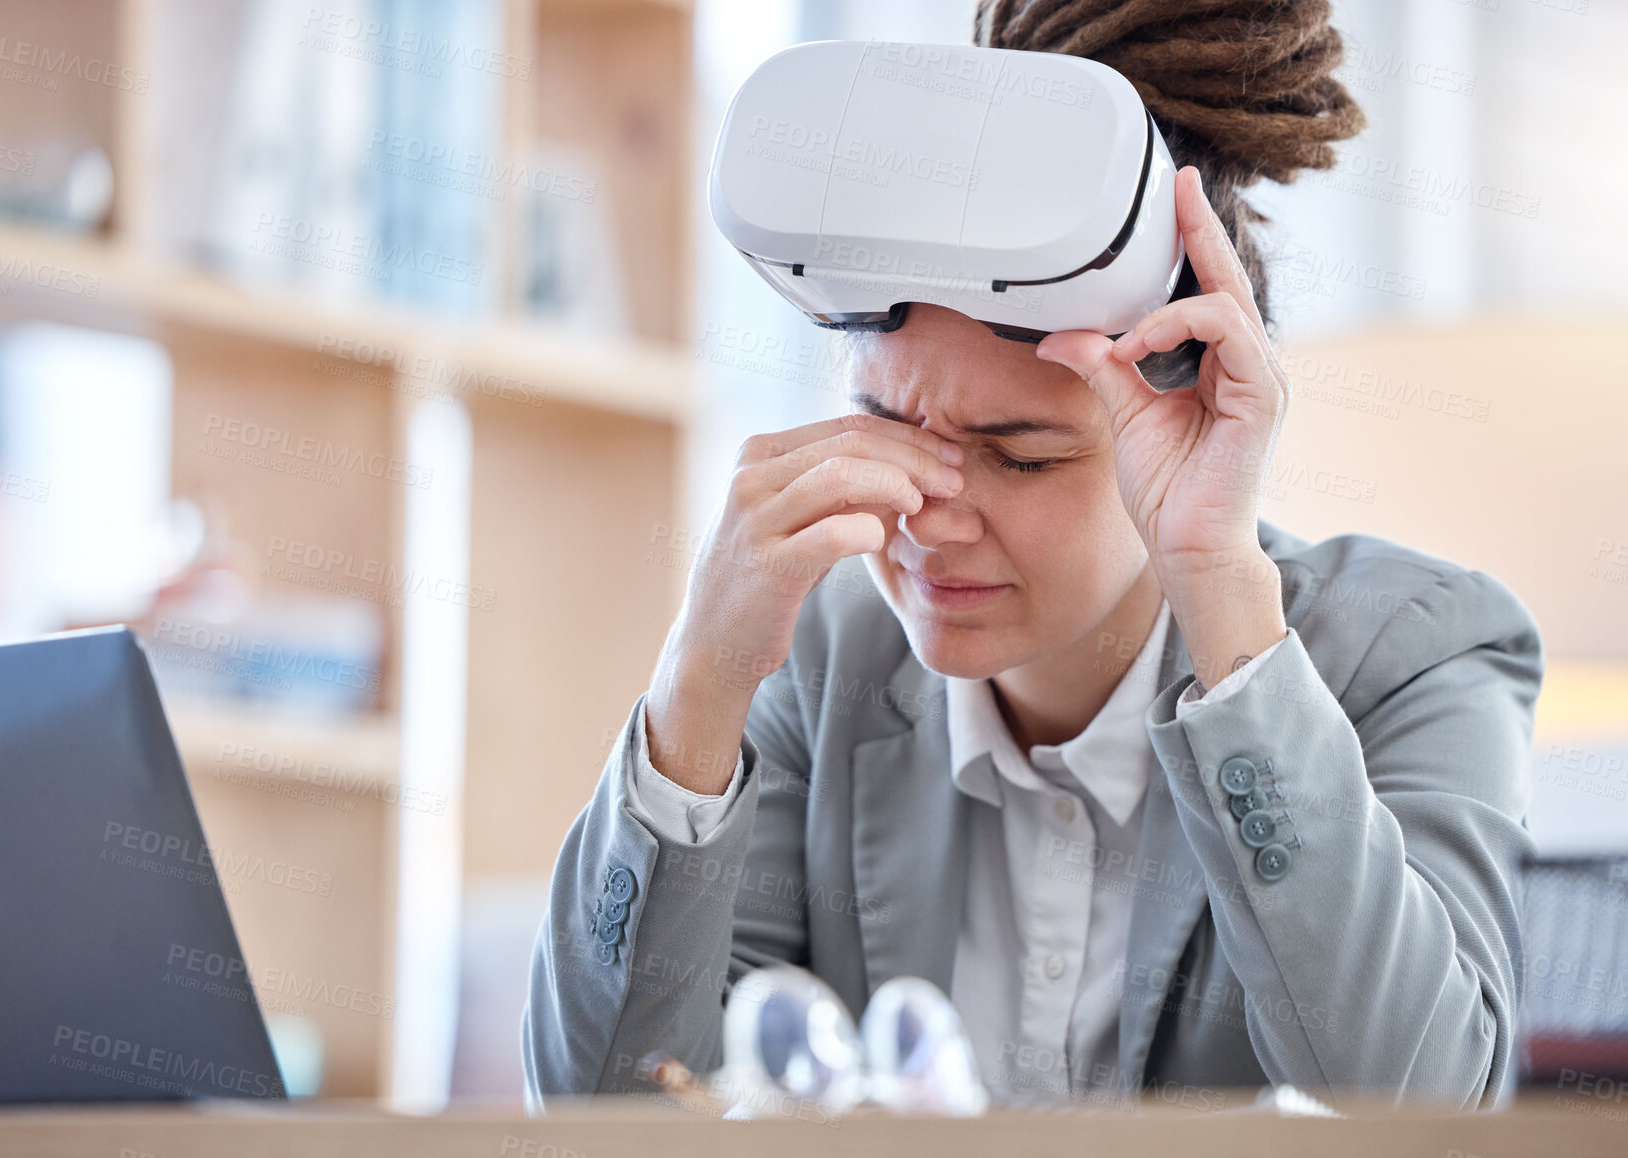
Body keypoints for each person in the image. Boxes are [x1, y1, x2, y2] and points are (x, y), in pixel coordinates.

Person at [523, 0, 1540, 1112]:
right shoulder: (821, 663)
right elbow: (601, 1113)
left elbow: (1421, 1109)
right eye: (889, 431)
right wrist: (694, 689)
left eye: (1019, 459)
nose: (928, 517)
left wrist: (1217, 588)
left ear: (1189, 428)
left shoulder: (1418, 652)